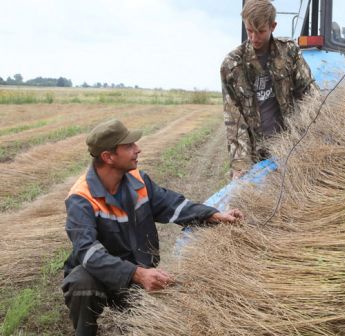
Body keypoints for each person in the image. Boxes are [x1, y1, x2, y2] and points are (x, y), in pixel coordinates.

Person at [61, 119, 244, 336]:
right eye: (129, 146)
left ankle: (131, 311)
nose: (138, 149)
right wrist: (137, 274)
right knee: (81, 282)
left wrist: (214, 214)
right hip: (105, 276)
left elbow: (172, 205)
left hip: (138, 271)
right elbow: (87, 252)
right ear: (108, 157)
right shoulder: (81, 198)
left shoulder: (138, 180)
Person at [221, 0, 319, 179]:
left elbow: (309, 93)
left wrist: (312, 137)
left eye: (260, 31)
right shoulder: (232, 65)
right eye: (250, 31)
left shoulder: (289, 52)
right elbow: (234, 118)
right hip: (256, 153)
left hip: (290, 144)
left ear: (273, 26)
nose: (254, 37)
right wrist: (240, 164)